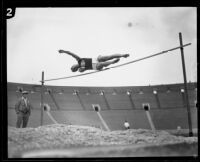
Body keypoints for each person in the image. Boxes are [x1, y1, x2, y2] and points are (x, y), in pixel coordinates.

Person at [58, 50, 130, 72]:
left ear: (73, 65)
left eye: (73, 67)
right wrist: (82, 68)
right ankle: (112, 62)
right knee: (102, 64)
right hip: (95, 66)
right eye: (74, 69)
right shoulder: (80, 69)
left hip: (95, 60)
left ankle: (122, 55)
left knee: (106, 57)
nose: (74, 67)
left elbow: (71, 54)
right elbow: (82, 70)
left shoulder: (79, 60)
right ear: (76, 69)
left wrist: (64, 51)